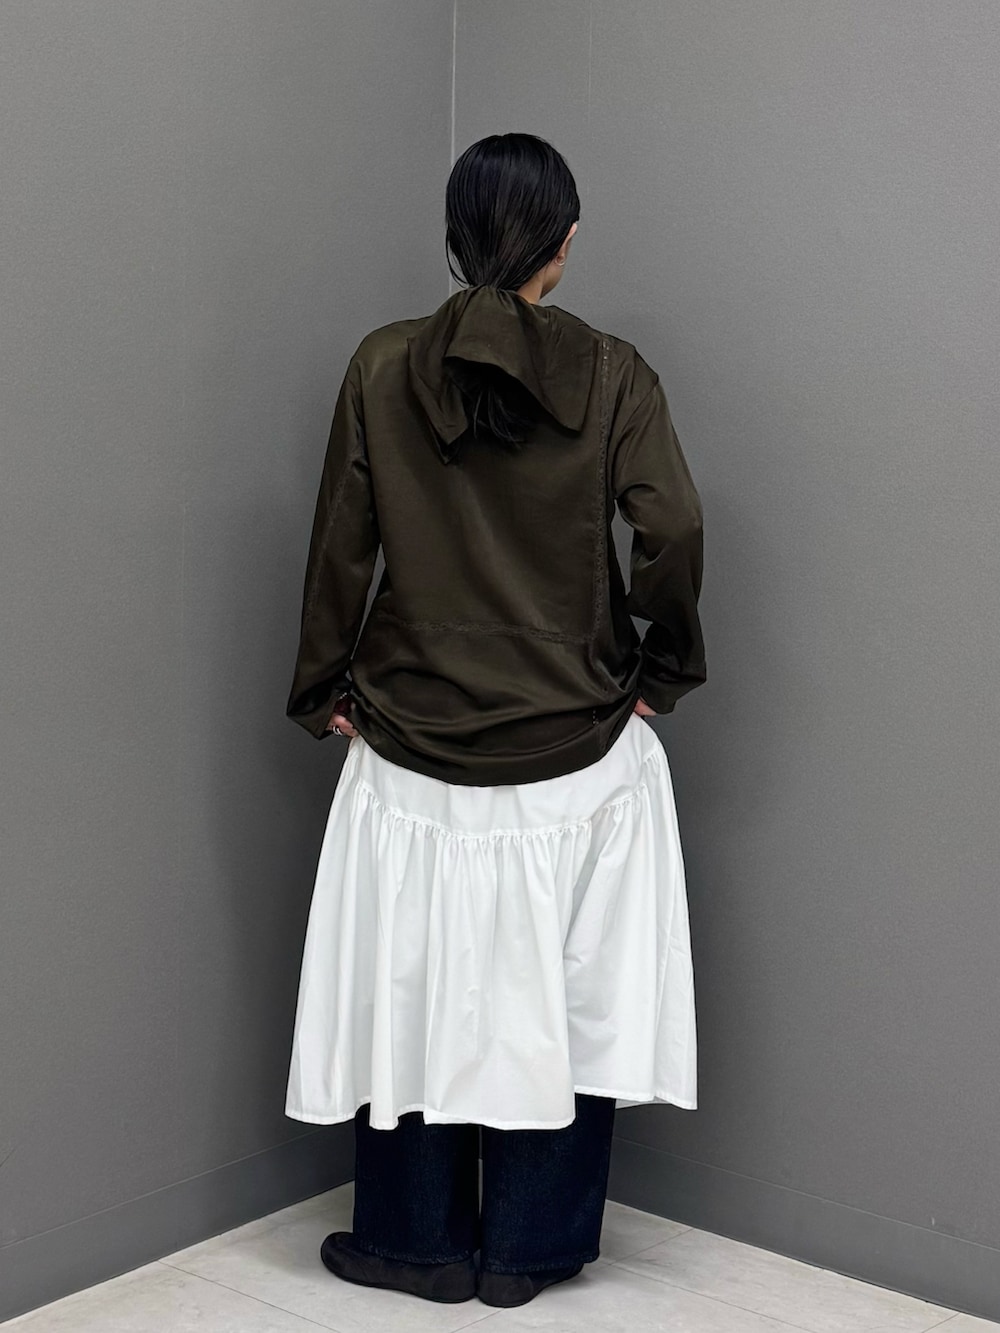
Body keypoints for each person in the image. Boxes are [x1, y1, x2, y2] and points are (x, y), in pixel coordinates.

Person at [282, 132, 707, 1309]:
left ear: (454, 238)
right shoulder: (614, 373)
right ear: (562, 245)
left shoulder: (380, 364)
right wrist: (662, 670)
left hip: (411, 741)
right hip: (577, 749)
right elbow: (671, 526)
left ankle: (413, 1243)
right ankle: (528, 1252)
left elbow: (341, 538)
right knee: (561, 994)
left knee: (410, 985)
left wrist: (323, 685)